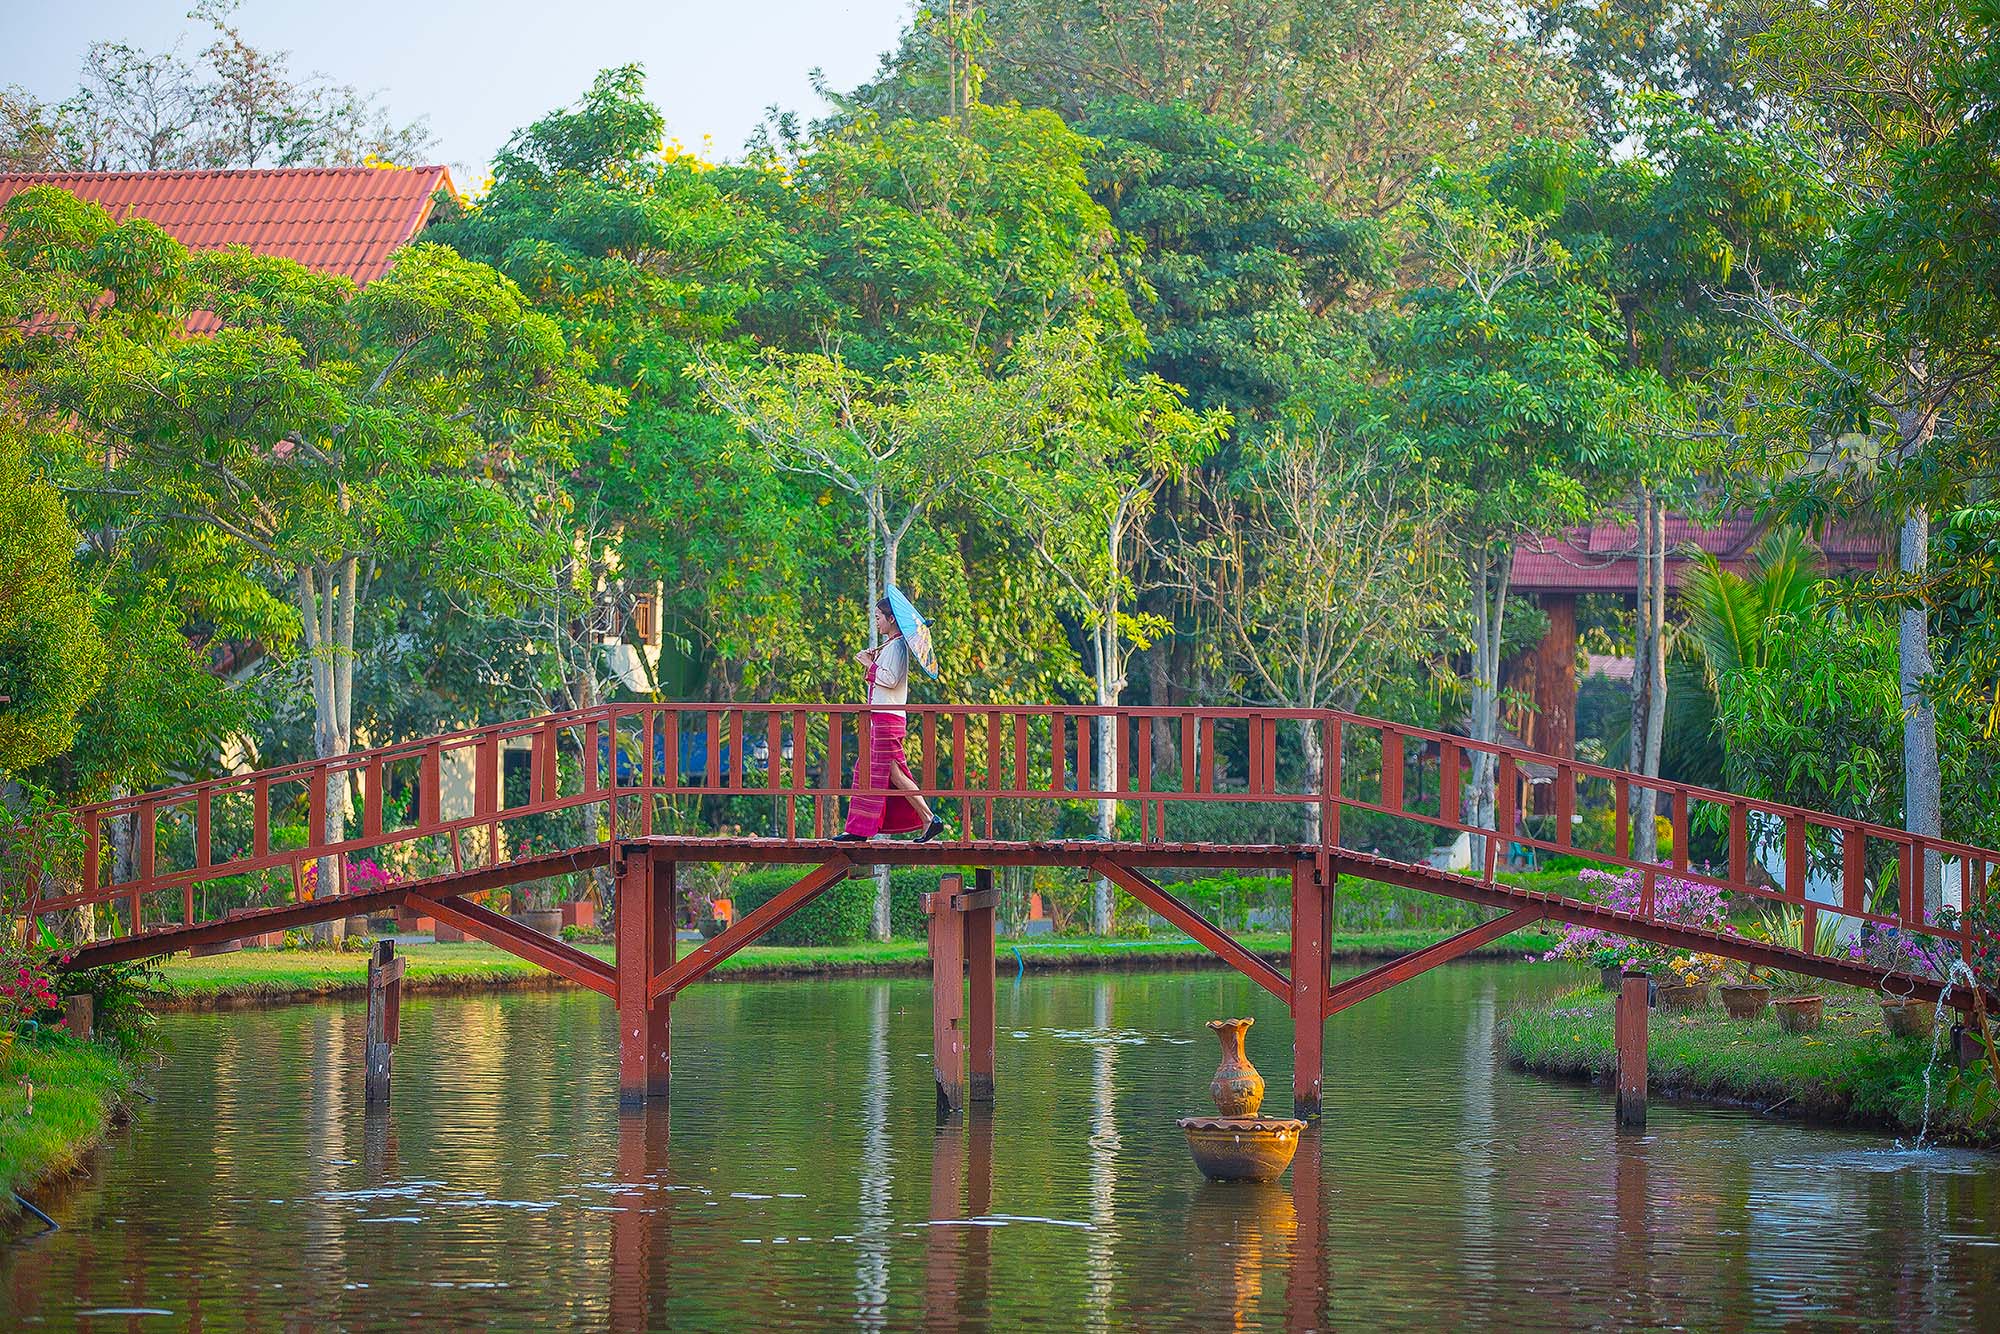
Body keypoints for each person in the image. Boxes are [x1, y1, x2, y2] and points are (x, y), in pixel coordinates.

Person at [836, 598, 947, 844]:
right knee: (878, 770)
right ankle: (863, 828)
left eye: (878, 618)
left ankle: (927, 818)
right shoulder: (890, 645)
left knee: (886, 771)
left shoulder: (898, 647)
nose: (876, 622)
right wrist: (873, 660)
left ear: (891, 619)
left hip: (889, 718)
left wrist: (869, 664)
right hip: (882, 717)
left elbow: (892, 679)